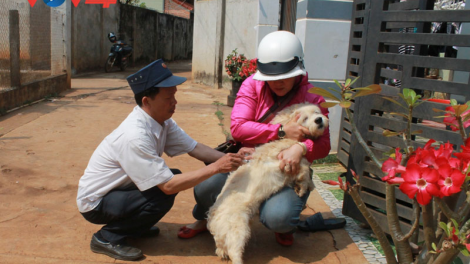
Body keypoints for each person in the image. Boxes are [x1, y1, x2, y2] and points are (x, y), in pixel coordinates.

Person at [179, 31, 344, 246]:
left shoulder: (313, 96)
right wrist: (281, 131)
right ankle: (204, 217)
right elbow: (238, 128)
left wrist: (301, 149)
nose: (278, 83)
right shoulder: (252, 85)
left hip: (285, 170)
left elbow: (324, 145)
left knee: (280, 218)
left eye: (285, 76)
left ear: (298, 70)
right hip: (247, 161)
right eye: (272, 77)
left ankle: (282, 221)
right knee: (205, 188)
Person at [76, 59, 253, 261]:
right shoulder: (134, 135)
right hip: (97, 202)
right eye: (168, 97)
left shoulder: (163, 122)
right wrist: (216, 168)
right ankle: (107, 237)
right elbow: (168, 187)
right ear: (146, 101)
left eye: (175, 96)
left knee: (173, 177)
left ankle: (134, 227)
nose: (174, 102)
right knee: (164, 193)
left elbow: (195, 148)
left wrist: (233, 159)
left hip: (120, 191)